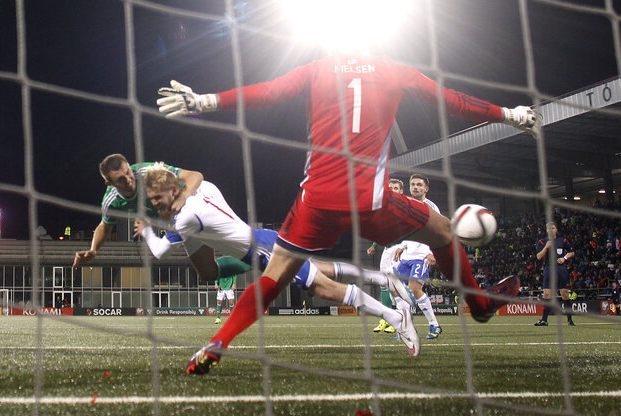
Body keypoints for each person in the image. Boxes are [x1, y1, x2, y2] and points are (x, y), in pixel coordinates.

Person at [157, 52, 536, 374]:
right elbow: (452, 100)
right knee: (443, 231)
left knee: (272, 279)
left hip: (314, 202)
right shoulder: (394, 69)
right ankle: (480, 305)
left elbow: (269, 92)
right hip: (369, 201)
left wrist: (205, 101)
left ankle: (218, 342)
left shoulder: (319, 67)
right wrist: (510, 114)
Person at [132, 164, 419, 366]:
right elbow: (197, 180)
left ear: (173, 190)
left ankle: (395, 317)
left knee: (325, 288)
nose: (155, 204)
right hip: (263, 242)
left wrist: (146, 229)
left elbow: (158, 251)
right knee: (321, 271)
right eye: (152, 200)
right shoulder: (203, 188)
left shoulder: (184, 219)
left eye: (158, 198)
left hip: (262, 251)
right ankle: (382, 280)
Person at [72, 154, 252, 280]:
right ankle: (256, 260)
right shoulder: (111, 201)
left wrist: (181, 199)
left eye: (128, 172)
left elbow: (195, 176)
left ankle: (264, 253)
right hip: (179, 218)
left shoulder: (146, 172)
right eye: (120, 179)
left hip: (198, 197)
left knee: (243, 241)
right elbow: (105, 225)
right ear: (109, 183)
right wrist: (94, 250)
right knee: (208, 273)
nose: (128, 179)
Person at [393, 174, 443, 340]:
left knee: (414, 288)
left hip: (422, 256)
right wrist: (401, 246)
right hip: (407, 255)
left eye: (419, 185)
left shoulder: (431, 207)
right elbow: (409, 230)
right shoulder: (408, 205)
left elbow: (439, 231)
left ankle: (434, 325)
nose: (415, 187)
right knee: (396, 289)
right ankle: (404, 329)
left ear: (426, 189)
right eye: (413, 184)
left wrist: (433, 253)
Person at [366, 178, 406, 335]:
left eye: (395, 188)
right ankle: (387, 319)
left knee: (395, 284)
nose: (392, 190)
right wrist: (374, 246)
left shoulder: (404, 207)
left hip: (399, 248)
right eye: (390, 187)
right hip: (387, 249)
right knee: (384, 284)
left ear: (401, 191)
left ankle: (398, 318)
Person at [534, 222, 576, 326]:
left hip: (560, 269)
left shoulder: (562, 240)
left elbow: (572, 252)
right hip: (548, 268)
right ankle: (544, 320)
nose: (551, 230)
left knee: (564, 294)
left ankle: (570, 320)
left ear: (556, 229)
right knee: (547, 294)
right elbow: (539, 257)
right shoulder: (542, 241)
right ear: (547, 230)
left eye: (553, 228)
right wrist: (546, 247)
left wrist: (564, 258)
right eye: (549, 228)